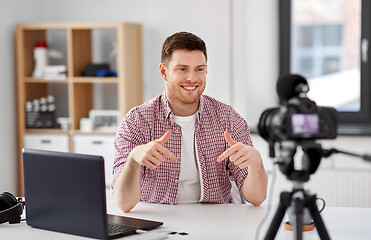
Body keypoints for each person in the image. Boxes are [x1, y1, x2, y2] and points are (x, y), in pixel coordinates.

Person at [112, 32, 267, 213]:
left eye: (199, 69)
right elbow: (123, 203)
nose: (192, 78)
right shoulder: (136, 121)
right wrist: (133, 159)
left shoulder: (228, 118)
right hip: (159, 218)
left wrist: (256, 162)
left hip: (217, 220)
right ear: (164, 71)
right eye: (182, 69)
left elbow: (257, 198)